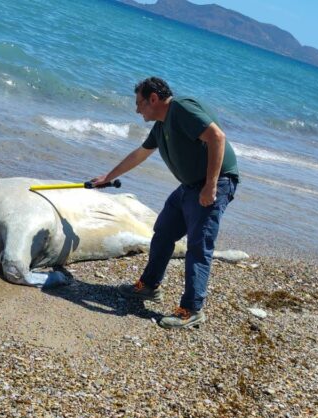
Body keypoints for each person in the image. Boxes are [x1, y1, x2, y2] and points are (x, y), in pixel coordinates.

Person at [92, 77, 239, 329]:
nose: (137, 109)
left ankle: (191, 310)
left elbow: (217, 137)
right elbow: (139, 154)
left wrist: (210, 185)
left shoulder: (181, 108)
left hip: (213, 184)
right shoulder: (160, 126)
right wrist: (108, 177)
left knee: (198, 246)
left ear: (154, 98)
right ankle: (149, 286)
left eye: (139, 103)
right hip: (189, 187)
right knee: (163, 232)